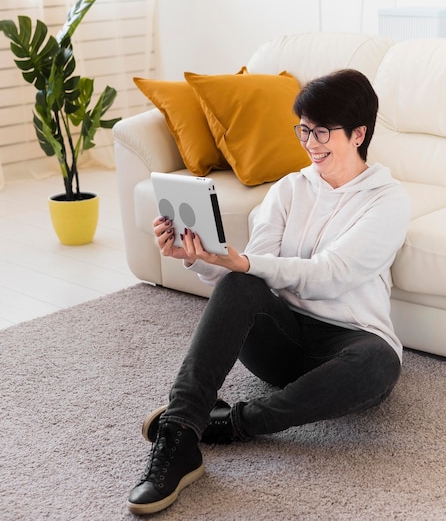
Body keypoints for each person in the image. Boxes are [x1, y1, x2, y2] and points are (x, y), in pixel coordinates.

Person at [127, 68, 411, 515]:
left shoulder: (387, 201)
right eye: (303, 130)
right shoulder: (288, 190)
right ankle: (180, 434)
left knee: (379, 363)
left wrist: (245, 262)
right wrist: (197, 257)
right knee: (241, 282)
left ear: (359, 133)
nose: (310, 143)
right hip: (283, 339)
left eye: (321, 131)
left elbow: (331, 273)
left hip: (349, 342)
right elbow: (243, 279)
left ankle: (230, 424)